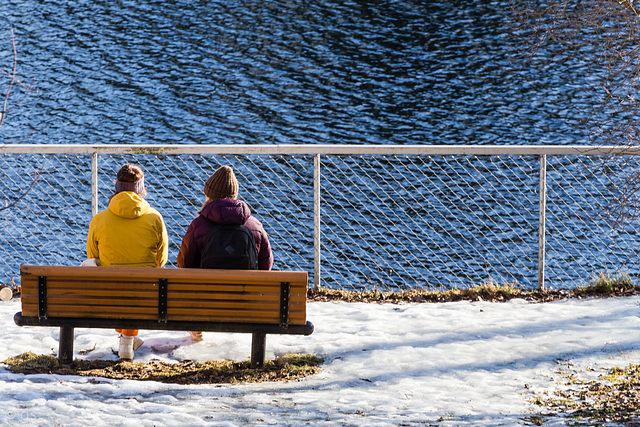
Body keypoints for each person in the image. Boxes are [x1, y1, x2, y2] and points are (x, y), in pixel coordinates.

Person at [177, 165, 273, 341]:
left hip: (206, 300)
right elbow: (266, 265)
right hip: (245, 301)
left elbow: (185, 264)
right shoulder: (255, 226)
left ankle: (197, 327)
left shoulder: (199, 225)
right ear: (235, 195)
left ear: (208, 195)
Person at [86, 164, 169, 360]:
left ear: (116, 187)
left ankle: (127, 338)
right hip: (146, 294)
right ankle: (128, 341)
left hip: (107, 295)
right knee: (137, 290)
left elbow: (92, 257)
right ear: (142, 189)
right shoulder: (154, 217)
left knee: (117, 289)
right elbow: (162, 259)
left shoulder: (99, 219)